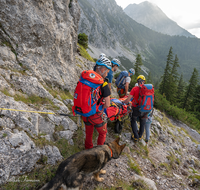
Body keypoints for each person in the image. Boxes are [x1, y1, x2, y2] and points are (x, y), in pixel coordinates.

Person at [82, 57, 111, 149]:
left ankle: (88, 150)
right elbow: (107, 104)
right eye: (106, 71)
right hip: (96, 115)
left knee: (89, 133)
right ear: (102, 70)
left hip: (85, 112)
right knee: (103, 133)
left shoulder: (86, 79)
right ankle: (99, 152)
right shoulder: (104, 84)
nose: (107, 74)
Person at [123, 75, 147, 142]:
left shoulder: (135, 89)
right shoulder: (147, 90)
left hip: (136, 108)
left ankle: (136, 137)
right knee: (142, 122)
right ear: (144, 81)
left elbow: (128, 100)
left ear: (138, 81)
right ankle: (140, 136)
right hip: (145, 109)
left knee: (133, 120)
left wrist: (123, 102)